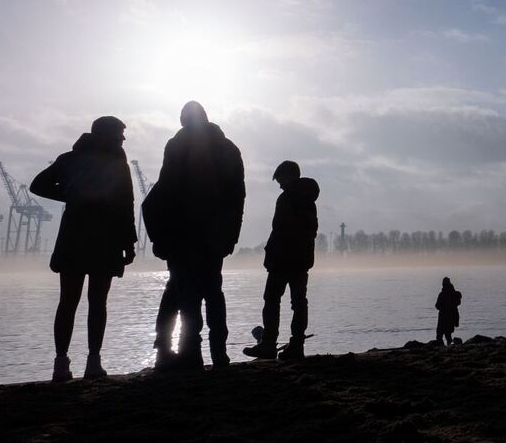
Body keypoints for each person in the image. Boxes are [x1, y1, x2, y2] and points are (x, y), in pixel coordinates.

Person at [29, 117, 136, 382]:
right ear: (107, 134)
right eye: (120, 134)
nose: (123, 139)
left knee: (68, 301)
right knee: (97, 302)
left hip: (73, 238)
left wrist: (72, 194)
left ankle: (61, 364)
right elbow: (127, 204)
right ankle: (93, 362)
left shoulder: (69, 159)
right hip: (106, 239)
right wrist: (129, 243)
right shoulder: (116, 163)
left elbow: (38, 185)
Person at [148, 101, 245, 368]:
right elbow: (238, 197)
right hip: (215, 235)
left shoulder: (176, 145)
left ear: (183, 120)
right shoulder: (229, 148)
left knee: (182, 292)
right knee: (213, 291)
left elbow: (166, 190)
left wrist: (160, 236)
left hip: (182, 234)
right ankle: (219, 353)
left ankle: (187, 351)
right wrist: (231, 235)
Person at [243, 161, 319, 361]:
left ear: (289, 176)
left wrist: (272, 255)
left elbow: (280, 230)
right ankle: (297, 345)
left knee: (271, 301)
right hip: (301, 261)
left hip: (283, 261)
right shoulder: (309, 201)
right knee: (299, 303)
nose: (279, 185)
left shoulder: (287, 199)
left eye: (280, 180)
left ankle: (268, 344)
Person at [435, 277, 462, 345]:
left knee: (440, 335)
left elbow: (437, 306)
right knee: (448, 335)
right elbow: (458, 303)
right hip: (451, 317)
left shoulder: (442, 294)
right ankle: (448, 347)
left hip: (443, 317)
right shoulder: (454, 294)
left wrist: (443, 308)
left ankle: (441, 348)